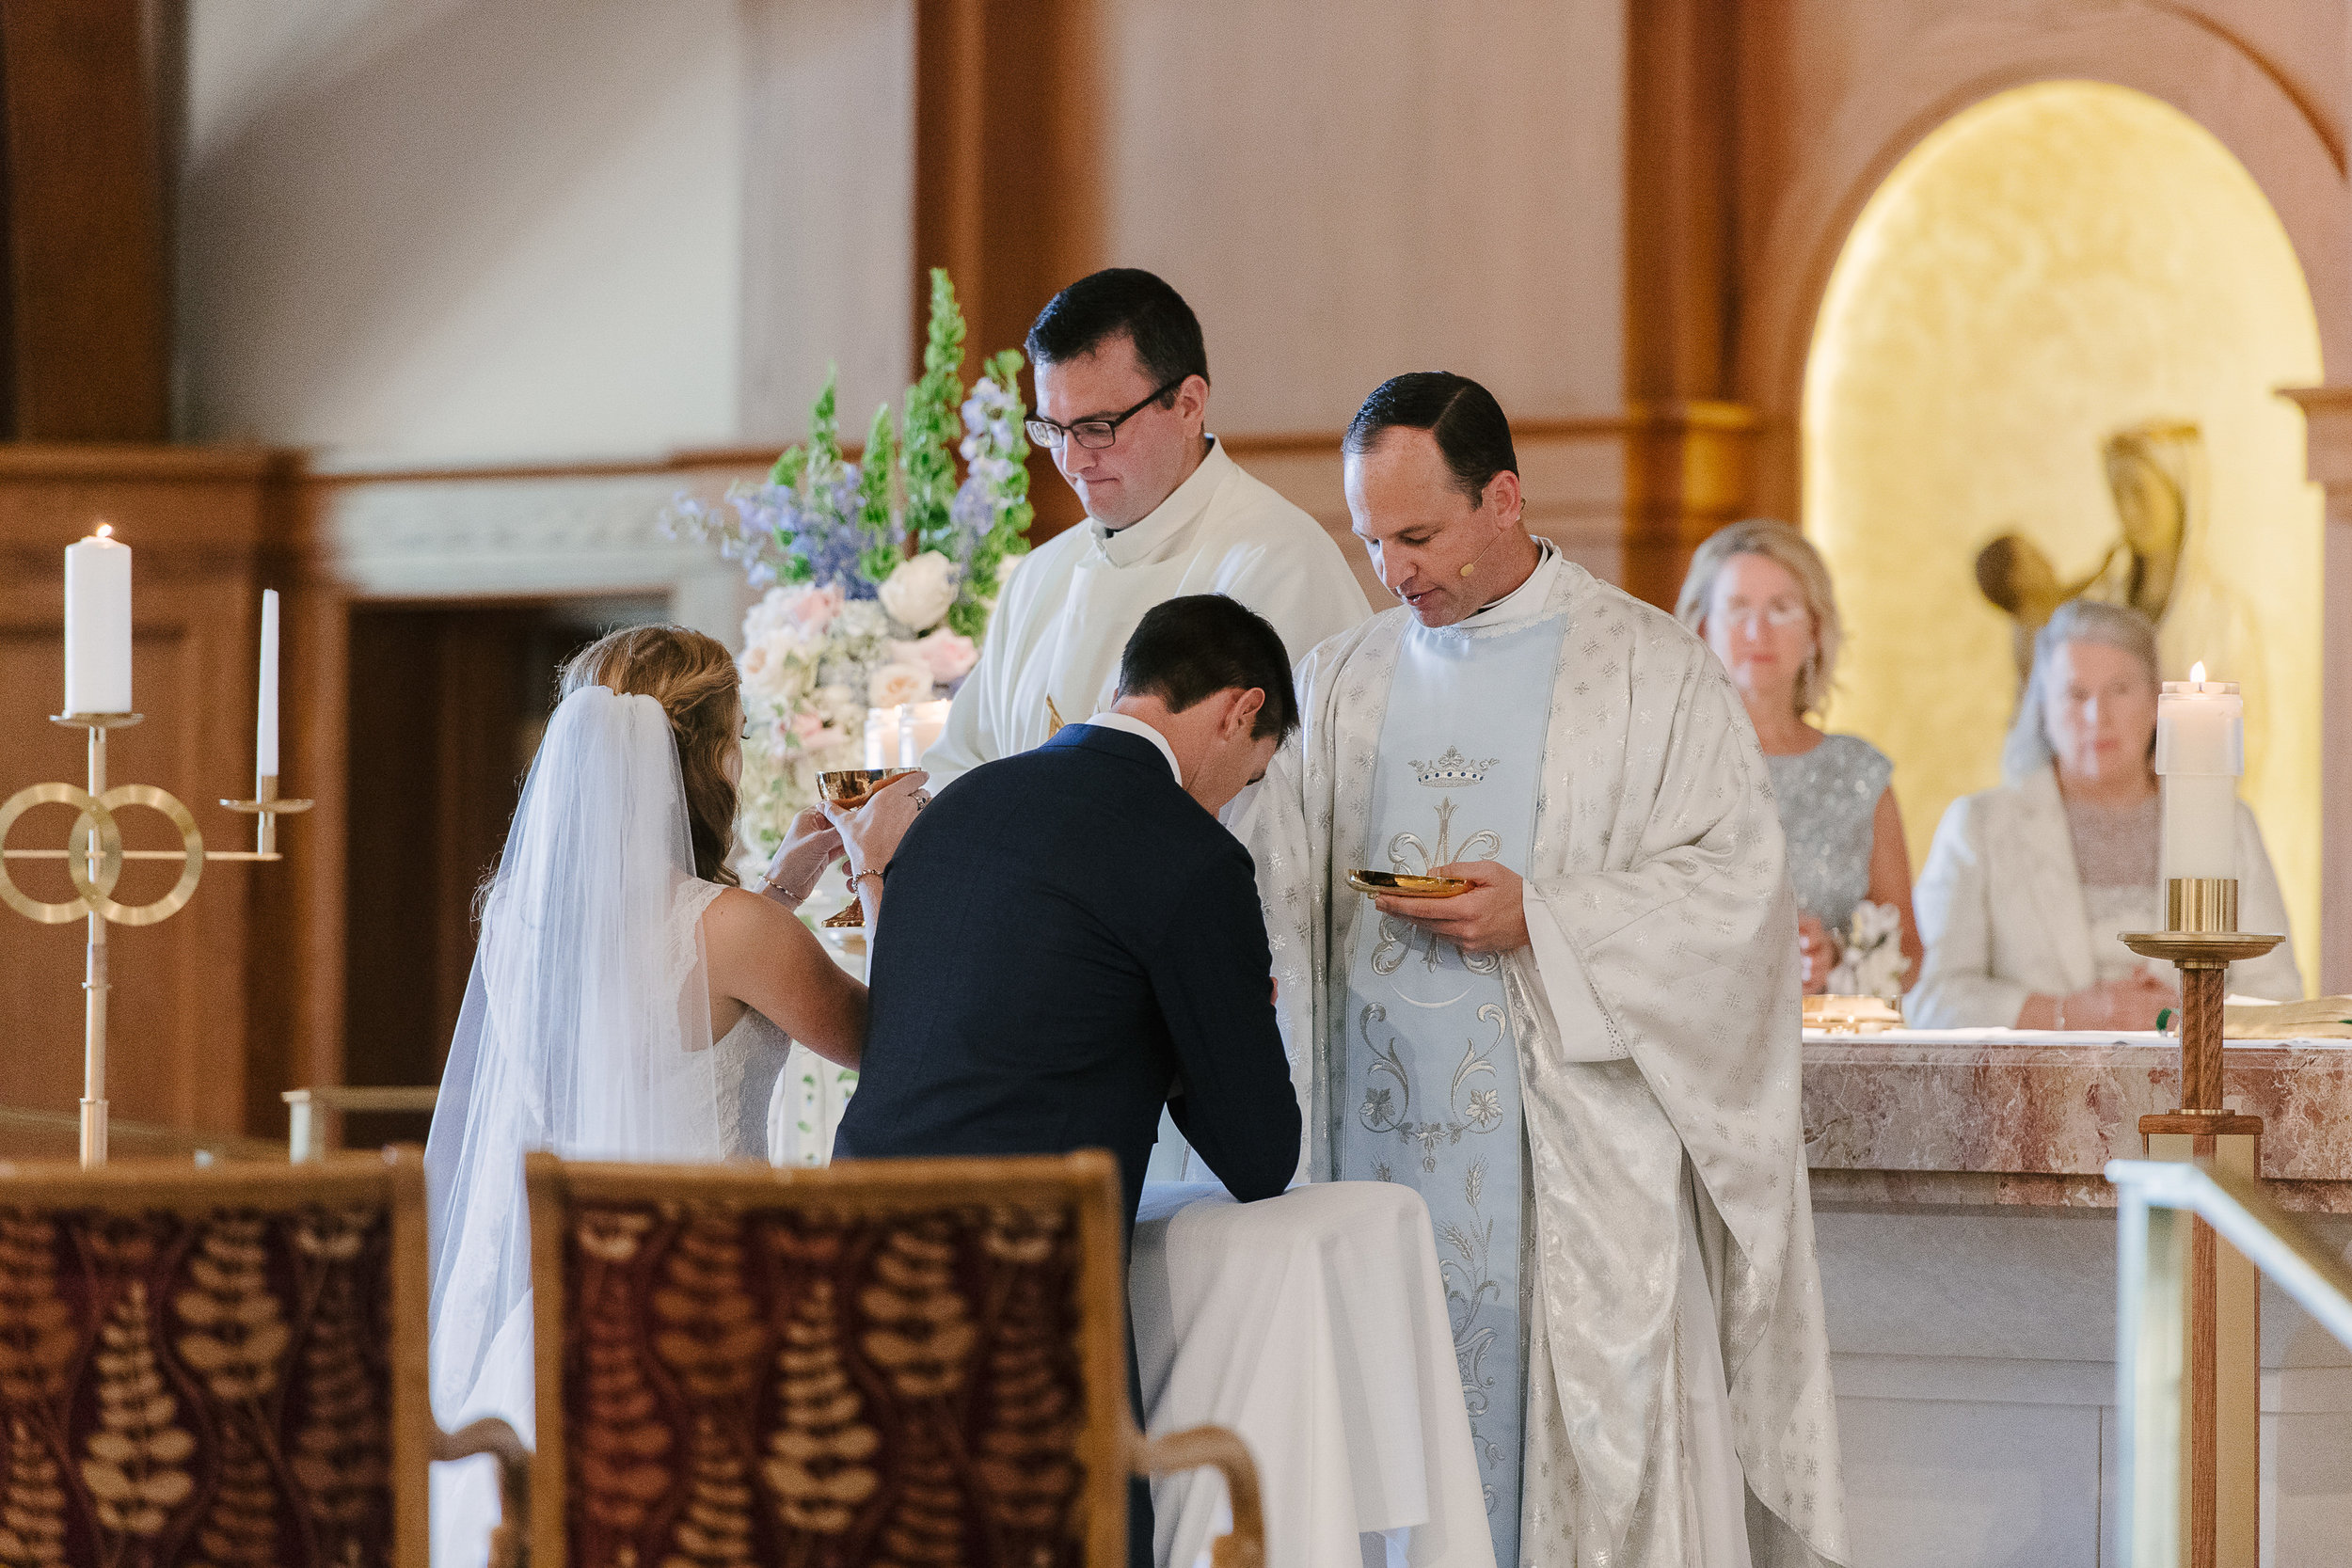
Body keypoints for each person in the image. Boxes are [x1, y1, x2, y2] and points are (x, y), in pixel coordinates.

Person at [1243, 372, 1847, 1568]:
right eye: (1368, 539)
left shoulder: (1647, 669)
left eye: (1417, 535)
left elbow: (1735, 897)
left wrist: (1551, 918)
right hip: (1370, 1165)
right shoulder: (1339, 681)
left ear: (1503, 498)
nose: (1391, 570)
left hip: (1570, 1177)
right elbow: (1263, 891)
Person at [422, 625, 922, 1568]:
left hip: (558, 1317)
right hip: (714, 1301)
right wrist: (876, 866)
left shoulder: (514, 920)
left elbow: (647, 998)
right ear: (709, 756)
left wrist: (782, 883)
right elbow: (891, 1040)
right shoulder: (732, 930)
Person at [836, 594, 1305, 1568]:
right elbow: (1261, 1154)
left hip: (849, 1247)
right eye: (1249, 774)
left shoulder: (964, 803)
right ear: (1235, 710)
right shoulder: (1190, 853)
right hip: (1014, 1280)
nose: (1232, 800)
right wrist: (1200, 1015)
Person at [920, 267, 1369, 787]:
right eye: (1053, 430)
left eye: (1096, 428)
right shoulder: (1038, 576)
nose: (1072, 461)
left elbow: (1290, 808)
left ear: (1188, 404)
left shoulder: (1281, 563)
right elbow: (959, 766)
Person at [1910, 599, 2300, 1029]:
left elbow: (2278, 997)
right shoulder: (1979, 827)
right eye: (2076, 694)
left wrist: (2185, 1018)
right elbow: (1932, 999)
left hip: (2188, 1084)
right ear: (2042, 707)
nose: (2098, 716)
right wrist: (2068, 1014)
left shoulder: (2230, 825)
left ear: (2156, 703)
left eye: (2120, 690)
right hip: (2032, 1091)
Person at [1677, 518, 1922, 994]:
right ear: (1704, 627)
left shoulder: (1858, 773)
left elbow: (1912, 951)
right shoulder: (1665, 764)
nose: (1757, 630)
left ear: (1814, 629)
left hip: (1824, 1052)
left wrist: (1834, 957)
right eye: (1738, 608)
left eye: (1781, 608)